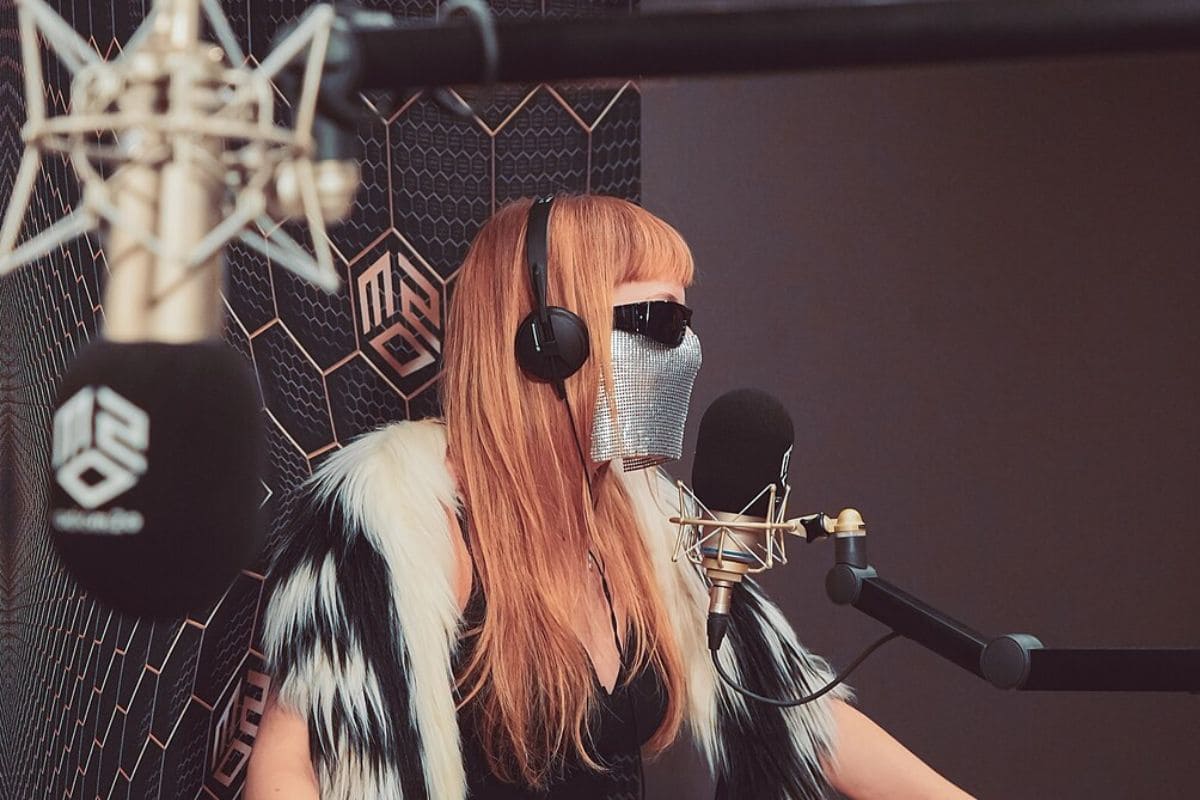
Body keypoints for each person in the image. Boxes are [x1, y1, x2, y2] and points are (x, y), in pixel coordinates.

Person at [245, 194, 974, 799]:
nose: (685, 352)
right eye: (657, 323)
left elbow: (804, 717)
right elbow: (286, 765)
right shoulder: (396, 522)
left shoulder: (643, 516)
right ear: (550, 341)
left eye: (686, 322)